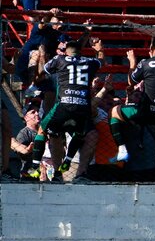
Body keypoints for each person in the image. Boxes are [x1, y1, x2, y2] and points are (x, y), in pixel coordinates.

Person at [26, 40, 101, 179]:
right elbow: (101, 61)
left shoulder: (59, 59)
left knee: (42, 130)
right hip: (82, 107)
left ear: (66, 51)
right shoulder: (90, 61)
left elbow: (43, 71)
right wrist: (99, 50)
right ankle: (67, 160)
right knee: (79, 133)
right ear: (81, 51)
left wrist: (41, 56)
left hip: (64, 105)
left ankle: (35, 167)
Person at [109, 34, 155, 180]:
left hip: (149, 112)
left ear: (151, 48)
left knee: (115, 112)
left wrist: (132, 63)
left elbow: (130, 82)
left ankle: (121, 149)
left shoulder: (146, 63)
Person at [10, 99, 41, 180]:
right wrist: (28, 151)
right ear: (26, 117)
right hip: (30, 173)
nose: (37, 113)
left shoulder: (43, 131)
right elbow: (21, 155)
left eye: (38, 111)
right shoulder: (24, 133)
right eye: (33, 112)